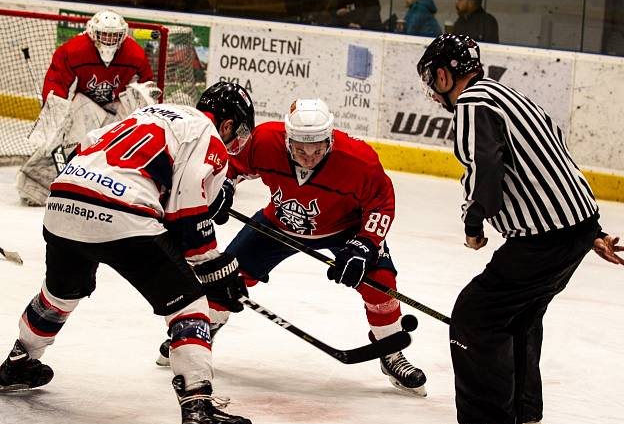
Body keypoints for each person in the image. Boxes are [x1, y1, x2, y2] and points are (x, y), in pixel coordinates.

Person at [0, 81, 258, 424]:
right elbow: (185, 211)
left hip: (64, 199)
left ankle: (19, 360)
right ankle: (199, 406)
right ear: (227, 124)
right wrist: (213, 265)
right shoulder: (207, 133)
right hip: (123, 211)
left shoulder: (146, 114)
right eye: (237, 132)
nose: (234, 141)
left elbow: (88, 146)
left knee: (61, 292)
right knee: (191, 304)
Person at [416, 34, 624, 424]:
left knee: (476, 315)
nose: (434, 93)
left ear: (443, 74)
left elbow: (485, 169)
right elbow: (558, 161)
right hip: (574, 228)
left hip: (543, 239)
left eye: (432, 81)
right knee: (521, 315)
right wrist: (592, 233)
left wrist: (474, 223)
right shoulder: (512, 96)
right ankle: (523, 410)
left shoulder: (473, 104)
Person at [158, 98, 427, 396]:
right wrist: (226, 187)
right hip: (279, 223)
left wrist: (365, 244)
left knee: (381, 282)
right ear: (287, 139)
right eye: (300, 149)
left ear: (330, 139)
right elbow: (233, 165)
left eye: (317, 149)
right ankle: (200, 332)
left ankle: (391, 352)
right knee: (225, 276)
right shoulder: (265, 141)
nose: (309, 156)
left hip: (344, 229)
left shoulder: (359, 160)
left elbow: (381, 202)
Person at [17, 9, 154, 206]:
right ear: (92, 32)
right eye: (104, 34)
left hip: (116, 108)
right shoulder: (74, 50)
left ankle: (125, 181)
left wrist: (145, 103)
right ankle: (37, 186)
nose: (109, 40)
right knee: (63, 142)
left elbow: (146, 85)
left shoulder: (134, 54)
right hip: (85, 104)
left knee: (134, 124)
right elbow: (57, 81)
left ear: (122, 35)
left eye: (114, 35)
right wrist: (54, 114)